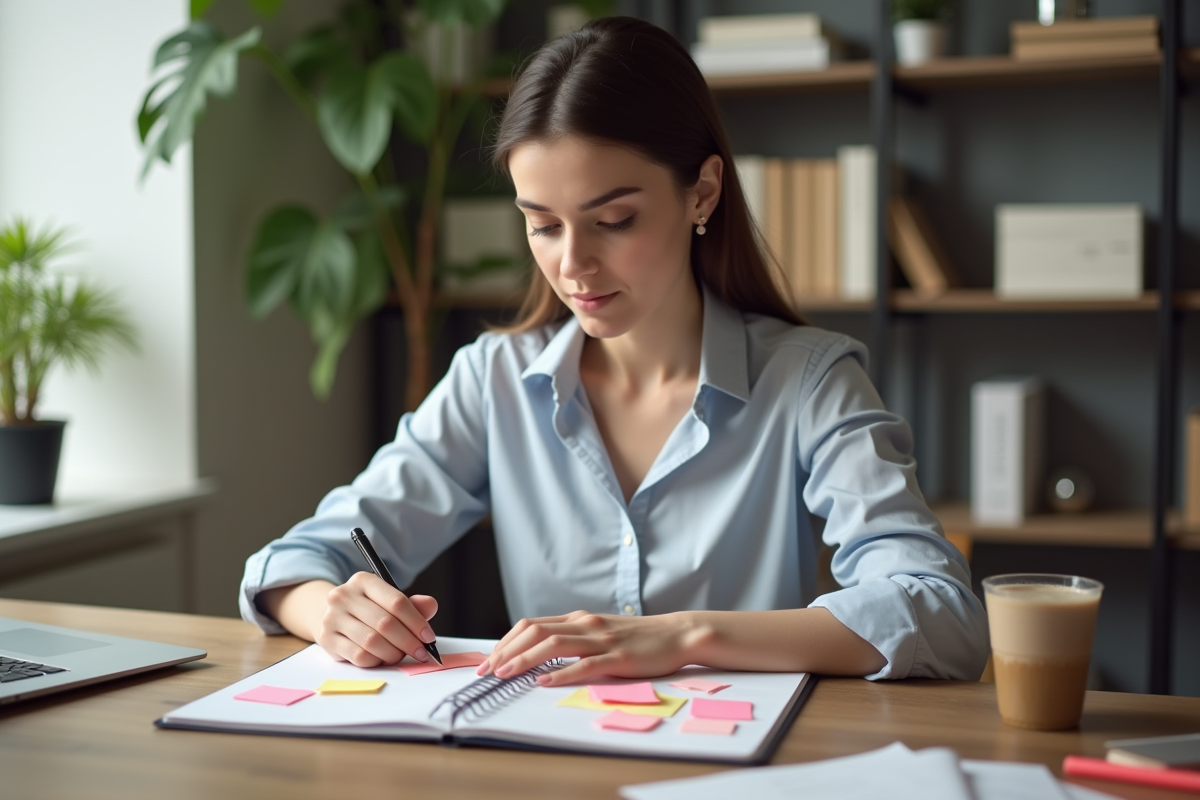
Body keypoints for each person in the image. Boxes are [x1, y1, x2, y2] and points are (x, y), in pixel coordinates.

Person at [241, 16, 989, 686]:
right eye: (543, 224)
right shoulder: (494, 380)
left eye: (615, 220)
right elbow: (290, 565)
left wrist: (685, 637)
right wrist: (332, 609)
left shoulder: (810, 381)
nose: (573, 265)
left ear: (701, 193)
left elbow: (938, 611)